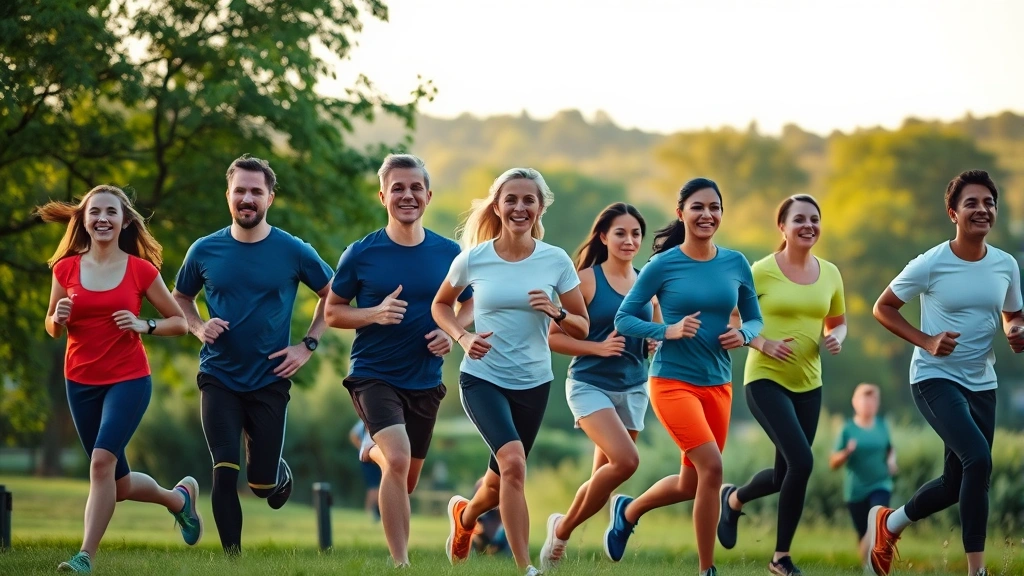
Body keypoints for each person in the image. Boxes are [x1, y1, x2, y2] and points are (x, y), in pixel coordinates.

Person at [172, 154, 334, 555]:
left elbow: (333, 296)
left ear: (269, 198)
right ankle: (233, 560)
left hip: (270, 378)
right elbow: (181, 297)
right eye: (240, 190)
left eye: (255, 192)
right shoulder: (204, 250)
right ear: (228, 195)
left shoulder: (293, 250)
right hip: (219, 376)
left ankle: (275, 476)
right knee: (224, 471)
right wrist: (197, 326)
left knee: (262, 486)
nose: (247, 198)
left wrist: (307, 345)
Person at [432, 167, 589, 576]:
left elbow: (582, 325)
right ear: (498, 206)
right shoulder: (474, 258)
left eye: (528, 200)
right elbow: (441, 306)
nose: (520, 207)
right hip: (482, 377)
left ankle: (465, 519)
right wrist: (462, 339)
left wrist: (555, 310)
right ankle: (525, 569)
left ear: (539, 208)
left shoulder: (554, 260)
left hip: (534, 382)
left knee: (499, 481)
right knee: (515, 464)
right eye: (512, 199)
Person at [39, 185, 202, 573]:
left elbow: (179, 321)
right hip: (79, 381)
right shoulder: (65, 268)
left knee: (100, 465)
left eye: (111, 212)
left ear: (124, 220)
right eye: (95, 212)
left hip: (128, 379)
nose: (103, 219)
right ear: (83, 219)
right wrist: (56, 318)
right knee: (118, 483)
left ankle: (84, 557)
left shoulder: (141, 270)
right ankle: (179, 499)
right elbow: (51, 326)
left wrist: (144, 324)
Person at [868, 170, 1023, 576]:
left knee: (956, 483)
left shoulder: (1005, 264)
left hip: (982, 382)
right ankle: (978, 570)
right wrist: (926, 340)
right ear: (953, 213)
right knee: (979, 460)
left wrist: (1015, 331)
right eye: (971, 203)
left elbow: (1012, 314)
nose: (982, 209)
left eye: (989, 202)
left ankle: (889, 523)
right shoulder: (931, 262)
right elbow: (882, 308)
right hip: (934, 378)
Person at [607, 177, 763, 576]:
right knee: (712, 468)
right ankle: (706, 569)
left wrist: (743, 334)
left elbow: (755, 318)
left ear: (721, 214)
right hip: (672, 381)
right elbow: (624, 317)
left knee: (691, 483)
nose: (706, 214)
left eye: (714, 207)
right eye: (697, 207)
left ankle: (630, 509)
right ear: (681, 214)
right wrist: (666, 331)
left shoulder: (736, 263)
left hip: (719, 383)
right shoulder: (663, 265)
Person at [325, 153, 473, 567]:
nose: (406, 195)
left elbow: (471, 301)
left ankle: (371, 447)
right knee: (398, 457)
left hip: (424, 378)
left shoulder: (450, 252)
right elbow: (333, 311)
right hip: (373, 374)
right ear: (382, 196)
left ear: (427, 195)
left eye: (414, 188)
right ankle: (400, 562)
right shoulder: (362, 253)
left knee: (404, 478)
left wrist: (451, 332)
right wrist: (373, 314)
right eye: (397, 188)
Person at [716, 194, 847, 576]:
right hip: (764, 379)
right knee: (802, 461)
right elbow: (730, 319)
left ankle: (735, 498)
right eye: (800, 219)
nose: (809, 226)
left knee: (781, 474)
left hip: (810, 382)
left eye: (815, 219)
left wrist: (837, 336)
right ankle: (780, 559)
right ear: (783, 227)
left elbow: (836, 320)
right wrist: (761, 342)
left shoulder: (831, 273)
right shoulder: (760, 271)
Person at [539, 203, 661, 571]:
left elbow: (655, 328)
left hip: (634, 386)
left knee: (602, 481)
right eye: (620, 233)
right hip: (589, 383)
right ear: (604, 236)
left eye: (636, 233)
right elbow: (553, 337)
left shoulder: (646, 281)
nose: (629, 240)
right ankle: (561, 531)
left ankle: (561, 529)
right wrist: (597, 347)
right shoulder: (587, 280)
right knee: (626, 462)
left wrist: (654, 342)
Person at [830, 383, 897, 565]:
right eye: (864, 400)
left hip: (881, 484)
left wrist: (892, 461)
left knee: (877, 524)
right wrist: (846, 452)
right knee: (863, 533)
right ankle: (867, 566)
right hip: (855, 491)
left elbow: (890, 449)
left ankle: (875, 565)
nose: (869, 404)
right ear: (855, 403)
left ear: (877, 404)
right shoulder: (848, 429)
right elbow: (833, 462)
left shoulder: (883, 426)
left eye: (873, 400)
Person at [348, 420, 381, 521]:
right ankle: (370, 512)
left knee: (377, 486)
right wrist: (363, 448)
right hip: (369, 459)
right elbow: (353, 435)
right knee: (374, 486)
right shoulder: (365, 420)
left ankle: (375, 512)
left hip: (375, 457)